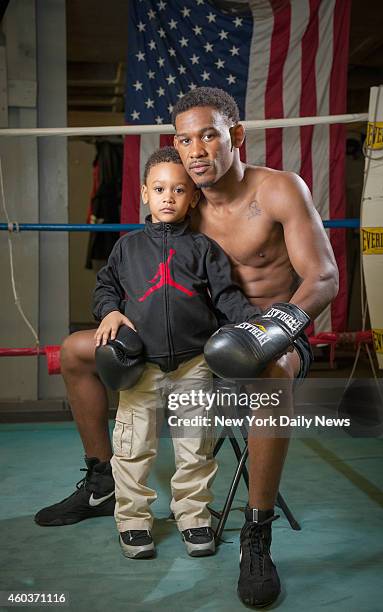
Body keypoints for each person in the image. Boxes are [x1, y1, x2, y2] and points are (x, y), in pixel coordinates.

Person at [35, 88, 338, 607]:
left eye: (209, 135)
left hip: (269, 333)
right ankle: (102, 479)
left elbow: (324, 277)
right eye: (184, 138)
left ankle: (257, 533)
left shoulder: (280, 190)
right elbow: (137, 271)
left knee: (272, 374)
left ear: (235, 137)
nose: (196, 149)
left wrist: (272, 329)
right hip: (196, 342)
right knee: (78, 349)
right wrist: (116, 313)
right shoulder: (182, 204)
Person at [92, 146, 261, 558]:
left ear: (193, 198)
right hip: (140, 367)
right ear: (145, 194)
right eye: (160, 188)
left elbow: (228, 298)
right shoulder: (127, 248)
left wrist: (259, 326)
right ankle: (132, 520)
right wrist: (110, 310)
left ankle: (194, 518)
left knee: (196, 446)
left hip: (194, 365)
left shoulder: (204, 249)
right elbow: (105, 288)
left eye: (179, 189)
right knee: (133, 446)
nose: (169, 197)